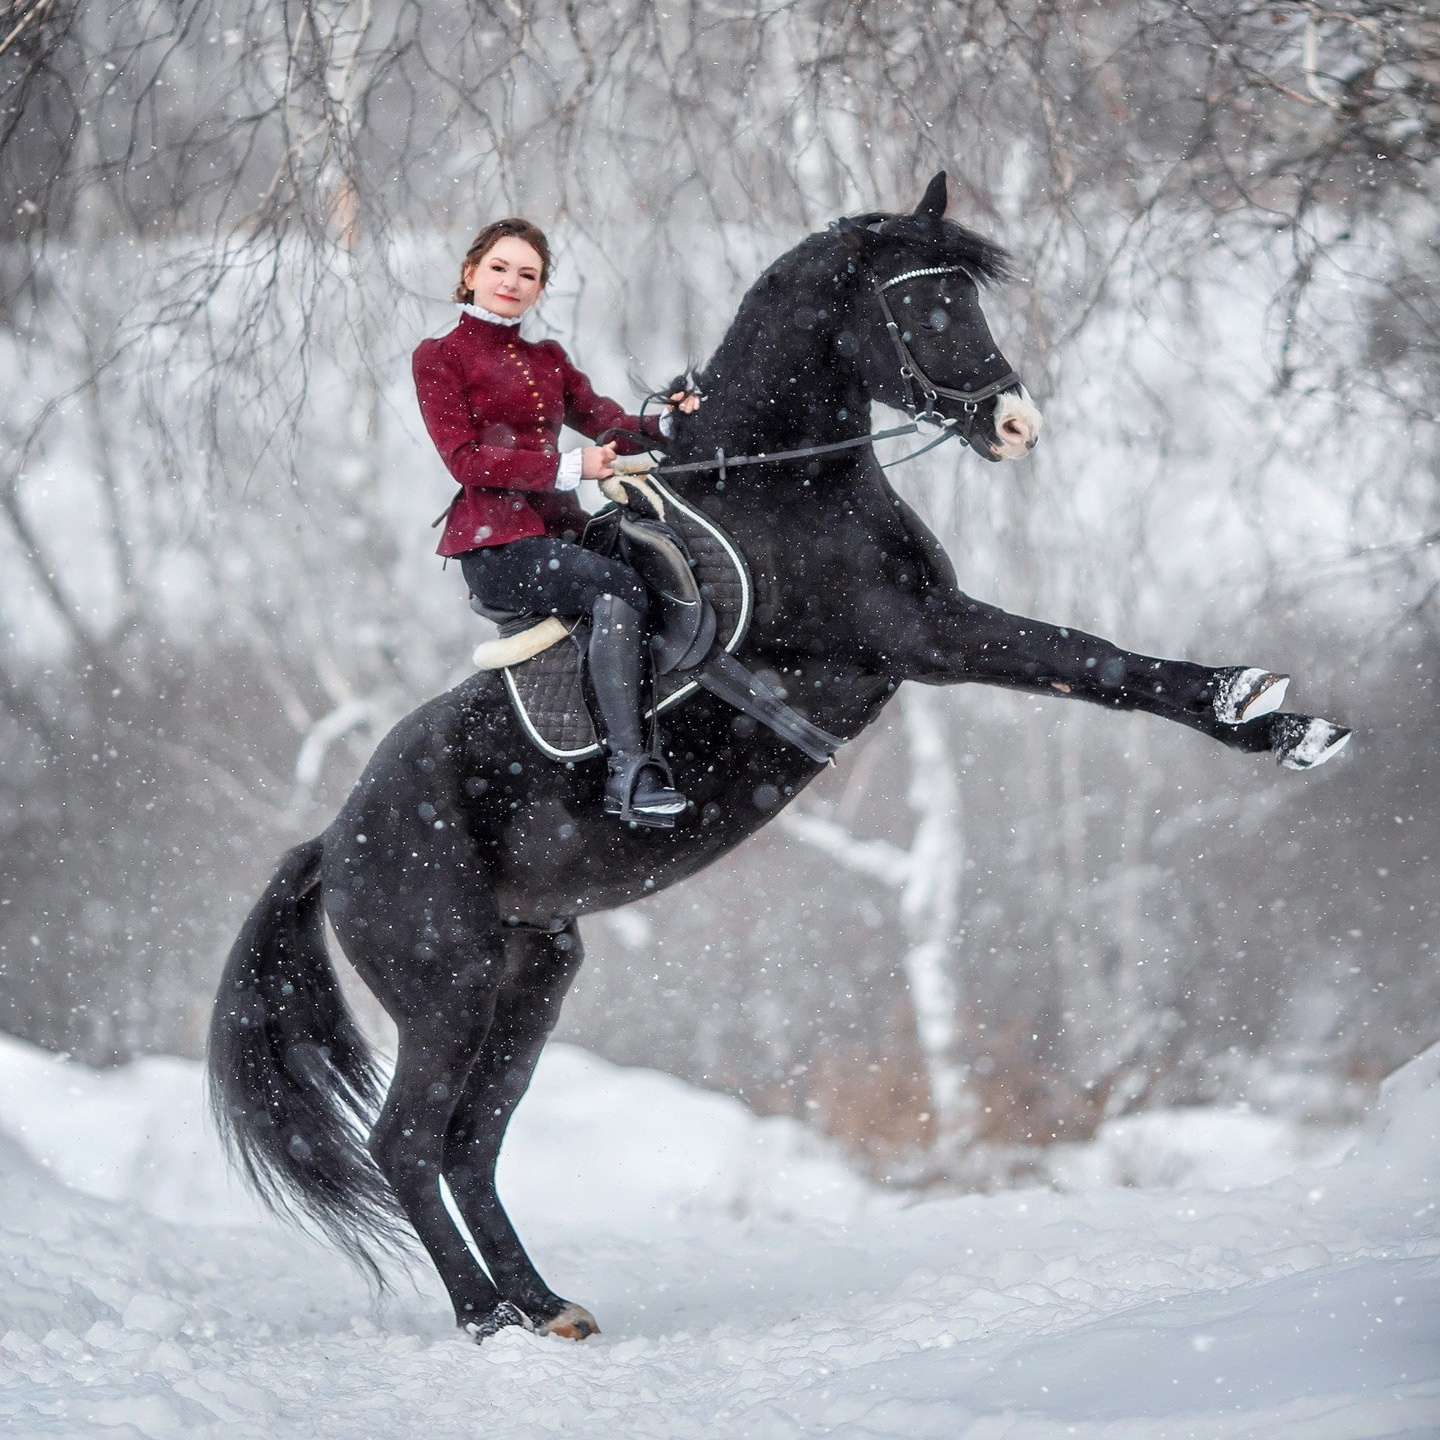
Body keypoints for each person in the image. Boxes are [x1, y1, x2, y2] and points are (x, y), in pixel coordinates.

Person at [412, 218, 700, 827]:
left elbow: (605, 420)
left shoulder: (546, 358)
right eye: (499, 268)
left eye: (528, 275)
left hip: (560, 535)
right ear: (470, 275)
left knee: (663, 558)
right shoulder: (439, 357)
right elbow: (465, 459)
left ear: (541, 290)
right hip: (497, 547)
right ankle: (629, 771)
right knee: (616, 589)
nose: (511, 283)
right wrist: (567, 467)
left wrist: (675, 426)